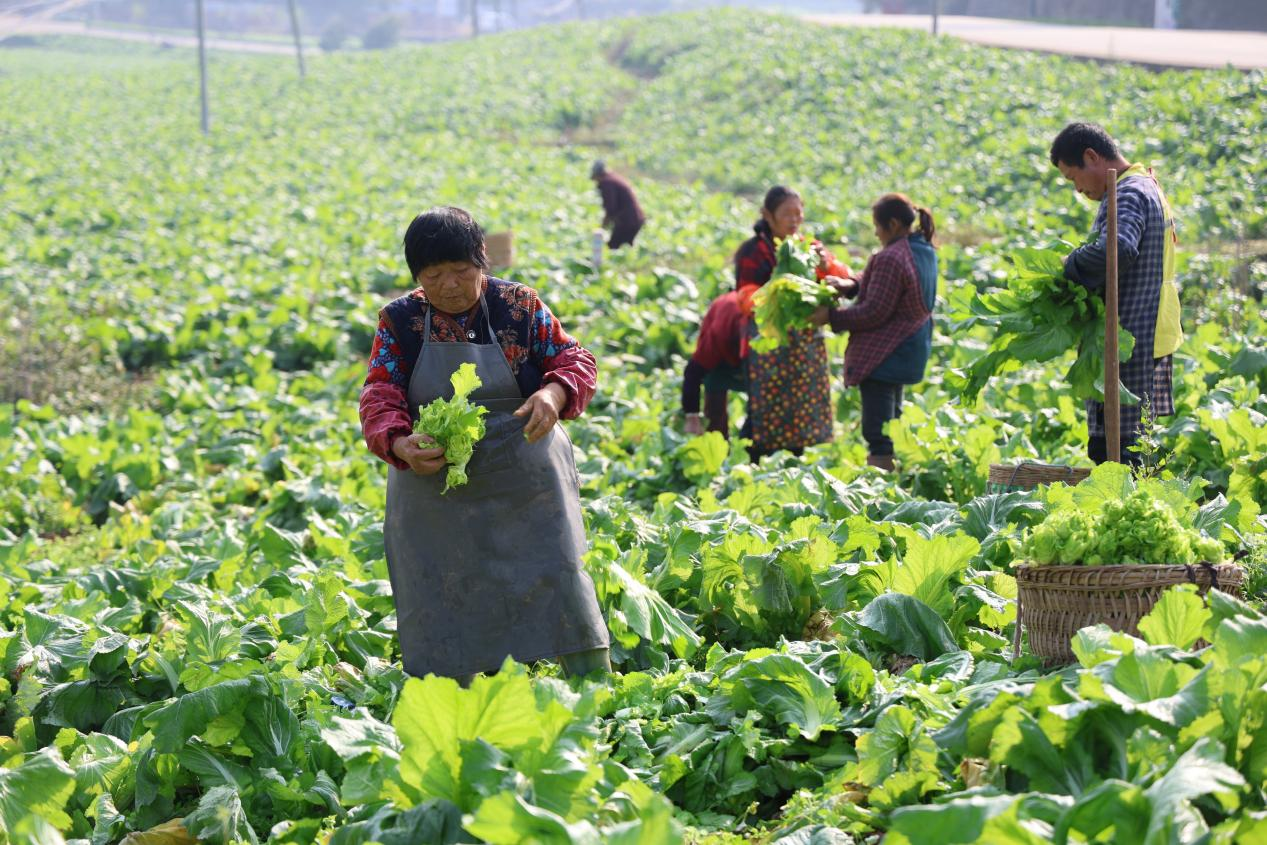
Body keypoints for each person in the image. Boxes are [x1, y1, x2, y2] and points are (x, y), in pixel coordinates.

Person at [358, 206, 610, 685]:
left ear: (482, 261)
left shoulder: (519, 305)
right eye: (434, 276)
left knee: (558, 575)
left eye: (461, 271)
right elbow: (380, 392)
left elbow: (574, 358)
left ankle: (595, 695)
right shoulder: (400, 321)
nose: (450, 286)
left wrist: (553, 394)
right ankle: (462, 697)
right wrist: (401, 442)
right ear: (416, 277)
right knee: (446, 590)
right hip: (438, 484)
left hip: (526, 477)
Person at [1049, 122, 1183, 465]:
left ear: (1091, 157)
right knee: (1129, 447)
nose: (1078, 189)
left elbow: (1118, 248)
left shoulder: (1128, 192)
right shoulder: (1143, 185)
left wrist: (1068, 264)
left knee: (1119, 451)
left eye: (1073, 177)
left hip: (1130, 338)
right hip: (1142, 333)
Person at [810, 194, 937, 471]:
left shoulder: (892, 257)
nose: (876, 233)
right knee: (892, 424)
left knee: (878, 432)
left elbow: (873, 311)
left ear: (893, 224)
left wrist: (830, 317)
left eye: (878, 226)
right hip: (909, 348)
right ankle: (894, 479)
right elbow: (885, 286)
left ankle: (881, 485)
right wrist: (850, 284)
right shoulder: (922, 248)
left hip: (885, 354)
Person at [733, 186, 840, 459]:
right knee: (764, 410)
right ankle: (750, 465)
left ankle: (793, 467)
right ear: (768, 216)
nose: (794, 220)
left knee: (801, 411)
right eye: (786, 214)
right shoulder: (753, 251)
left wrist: (826, 269)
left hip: (805, 344)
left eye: (798, 213)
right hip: (768, 341)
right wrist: (775, 294)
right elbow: (744, 296)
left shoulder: (810, 249)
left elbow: (840, 277)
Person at [682, 289, 746, 435]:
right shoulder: (718, 339)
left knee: (764, 414)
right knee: (714, 417)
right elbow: (693, 372)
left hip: (754, 355)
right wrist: (692, 417)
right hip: (721, 356)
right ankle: (717, 440)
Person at [591, 161, 645, 249]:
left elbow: (610, 209)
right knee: (623, 247)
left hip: (628, 221)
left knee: (614, 247)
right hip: (635, 219)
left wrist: (602, 228)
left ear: (598, 175)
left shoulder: (607, 183)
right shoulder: (613, 178)